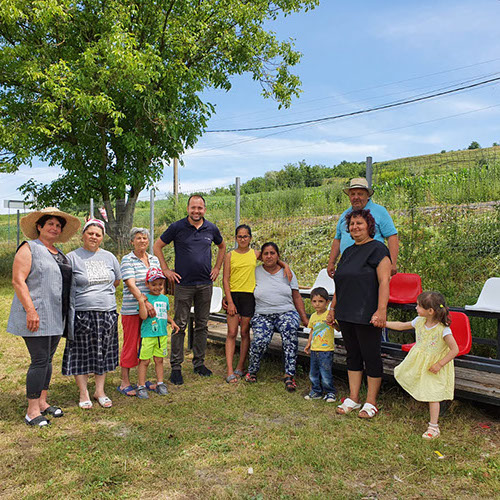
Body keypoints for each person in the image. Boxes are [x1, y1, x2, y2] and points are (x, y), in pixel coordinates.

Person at [8, 207, 80, 427]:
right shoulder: (29, 248)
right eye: (50, 224)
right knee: (39, 360)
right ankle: (31, 411)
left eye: (58, 225)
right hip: (36, 314)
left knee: (48, 360)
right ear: (39, 226)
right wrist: (30, 310)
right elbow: (18, 280)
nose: (55, 228)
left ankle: (42, 402)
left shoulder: (60, 254)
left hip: (56, 315)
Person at [153, 194, 226, 385]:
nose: (196, 211)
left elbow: (222, 246)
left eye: (200, 208)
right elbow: (157, 246)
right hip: (183, 285)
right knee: (180, 325)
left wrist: (217, 268)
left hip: (205, 284)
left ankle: (199, 363)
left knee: (202, 325)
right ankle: (176, 367)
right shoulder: (177, 227)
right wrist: (165, 270)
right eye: (193, 207)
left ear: (204, 210)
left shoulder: (211, 228)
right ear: (188, 209)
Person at [327, 209, 391, 418]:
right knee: (352, 355)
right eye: (352, 224)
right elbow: (340, 284)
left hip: (367, 312)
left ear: (369, 226)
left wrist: (381, 310)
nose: (355, 227)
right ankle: (353, 398)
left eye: (359, 223)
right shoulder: (347, 252)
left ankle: (371, 402)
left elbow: (384, 282)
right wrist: (332, 308)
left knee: (371, 355)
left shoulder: (378, 250)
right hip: (345, 311)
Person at [62, 219, 121, 409]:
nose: (94, 237)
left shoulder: (109, 257)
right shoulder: (72, 257)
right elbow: (65, 285)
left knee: (103, 352)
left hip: (107, 313)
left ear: (102, 238)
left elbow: (116, 281)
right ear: (83, 235)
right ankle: (83, 392)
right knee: (81, 353)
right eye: (90, 233)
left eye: (98, 234)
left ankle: (99, 391)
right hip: (82, 313)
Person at [222, 224, 291, 383]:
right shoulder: (230, 255)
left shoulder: (254, 254)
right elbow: (225, 279)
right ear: (236, 238)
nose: (243, 239)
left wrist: (285, 266)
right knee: (232, 332)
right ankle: (230, 370)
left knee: (245, 332)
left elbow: (271, 258)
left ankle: (240, 366)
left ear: (250, 238)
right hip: (234, 296)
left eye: (245, 236)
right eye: (240, 236)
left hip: (249, 297)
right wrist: (229, 301)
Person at [387, 291, 459, 439]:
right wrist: (385, 323)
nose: (416, 308)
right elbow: (402, 326)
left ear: (430, 311)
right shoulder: (419, 321)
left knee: (433, 395)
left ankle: (433, 427)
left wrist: (439, 364)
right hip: (419, 361)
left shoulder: (443, 330)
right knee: (418, 382)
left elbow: (455, 350)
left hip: (434, 366)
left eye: (419, 306)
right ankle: (419, 403)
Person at [245, 242, 309, 392]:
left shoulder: (288, 272)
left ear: (278, 255)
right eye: (266, 253)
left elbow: (296, 296)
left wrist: (304, 318)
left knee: (290, 331)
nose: (269, 256)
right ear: (261, 256)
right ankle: (252, 371)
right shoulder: (255, 271)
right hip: (262, 313)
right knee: (260, 340)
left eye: (272, 253)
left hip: (286, 312)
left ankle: (289, 375)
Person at [118, 228, 161, 396]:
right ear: (132, 241)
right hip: (132, 310)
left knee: (147, 345)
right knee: (131, 344)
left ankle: (141, 381)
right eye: (138, 238)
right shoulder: (127, 259)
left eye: (144, 238)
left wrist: (158, 305)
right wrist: (144, 302)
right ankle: (124, 382)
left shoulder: (154, 259)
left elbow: (159, 282)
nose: (142, 241)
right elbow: (131, 284)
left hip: (151, 311)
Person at [327, 177, 399, 277]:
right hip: (348, 265)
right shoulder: (345, 215)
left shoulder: (380, 212)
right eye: (353, 194)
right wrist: (331, 262)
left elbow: (392, 236)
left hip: (372, 267)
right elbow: (338, 239)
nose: (356, 197)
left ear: (367, 195)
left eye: (360, 194)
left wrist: (392, 263)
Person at [136, 268, 179, 399]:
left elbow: (164, 314)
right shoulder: (145, 299)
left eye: (160, 284)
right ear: (147, 284)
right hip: (148, 336)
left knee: (159, 360)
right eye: (153, 284)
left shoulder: (164, 299)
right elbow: (143, 316)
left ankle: (160, 383)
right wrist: (142, 302)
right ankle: (141, 386)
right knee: (145, 361)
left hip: (162, 335)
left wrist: (172, 322)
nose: (157, 287)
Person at [304, 287, 336, 402]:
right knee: (313, 372)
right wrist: (308, 344)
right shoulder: (313, 316)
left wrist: (332, 323)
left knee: (325, 372)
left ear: (327, 302)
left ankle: (330, 392)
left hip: (326, 350)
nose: (317, 304)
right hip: (314, 349)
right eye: (314, 301)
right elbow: (312, 331)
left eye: (321, 301)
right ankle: (316, 391)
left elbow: (338, 328)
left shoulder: (329, 314)